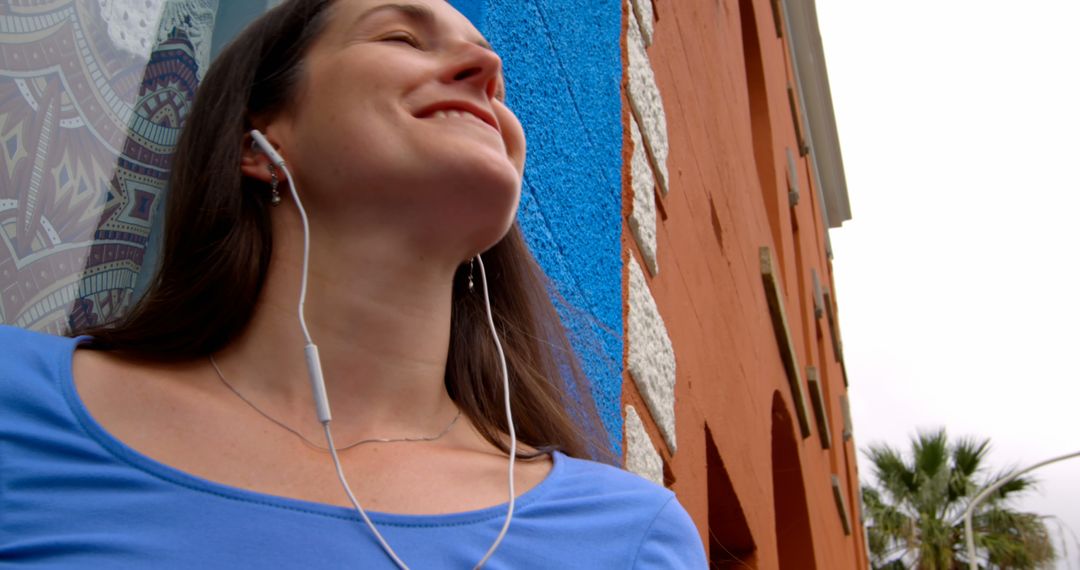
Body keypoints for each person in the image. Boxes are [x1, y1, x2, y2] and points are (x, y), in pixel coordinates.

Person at [0, 0, 707, 567]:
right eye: (401, 36)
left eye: (493, 69)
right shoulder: (16, 405)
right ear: (258, 143)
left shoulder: (625, 538)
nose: (487, 66)